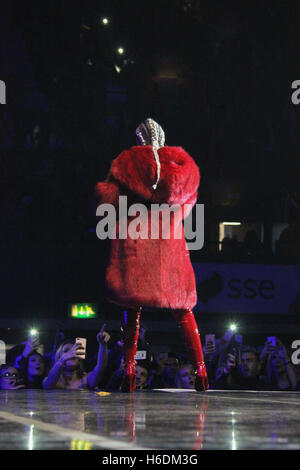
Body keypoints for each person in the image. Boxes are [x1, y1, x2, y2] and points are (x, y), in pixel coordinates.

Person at [95, 118, 208, 392]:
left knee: (132, 308)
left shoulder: (126, 165)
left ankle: (130, 369)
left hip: (137, 242)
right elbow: (187, 206)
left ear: (139, 140)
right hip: (169, 245)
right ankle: (201, 371)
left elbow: (107, 200)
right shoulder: (182, 169)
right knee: (182, 308)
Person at [43, 325, 110, 390]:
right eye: (67, 351)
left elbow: (101, 367)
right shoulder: (51, 380)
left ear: (79, 359)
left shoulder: (86, 380)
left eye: (75, 351)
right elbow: (48, 385)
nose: (72, 354)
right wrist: (62, 360)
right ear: (59, 357)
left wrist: (102, 344)